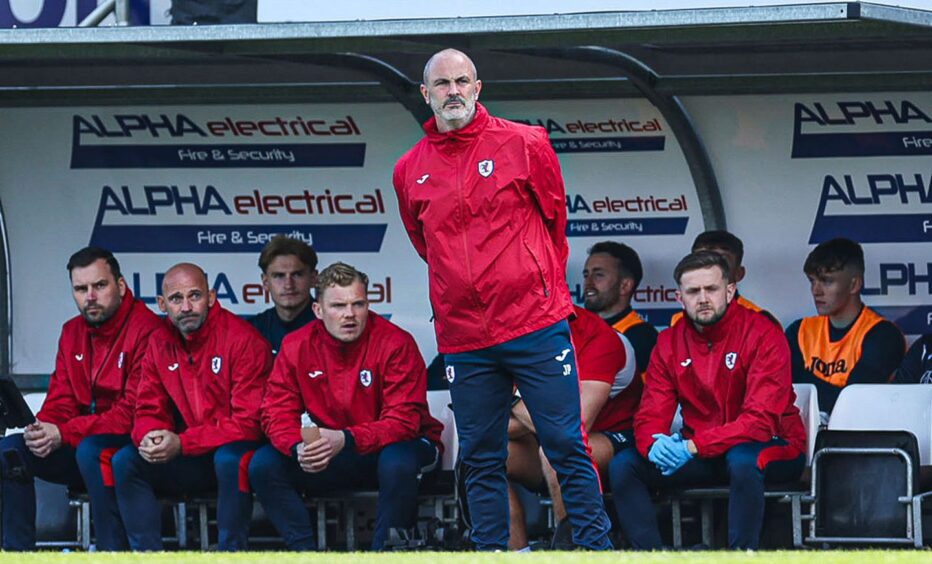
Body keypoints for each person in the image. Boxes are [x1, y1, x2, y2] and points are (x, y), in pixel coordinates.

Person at [392, 48, 612, 550]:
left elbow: (555, 221)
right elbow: (426, 243)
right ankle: (489, 552)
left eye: (462, 81)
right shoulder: (409, 169)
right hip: (465, 335)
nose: (453, 91)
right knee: (479, 453)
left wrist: (533, 286)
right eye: (442, 84)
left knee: (565, 443)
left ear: (478, 87)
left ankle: (596, 549)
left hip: (534, 323)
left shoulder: (525, 142)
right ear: (426, 95)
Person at [610, 251, 806, 550]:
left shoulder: (763, 333)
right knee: (624, 465)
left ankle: (741, 556)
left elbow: (759, 423)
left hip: (774, 444)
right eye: (693, 291)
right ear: (680, 297)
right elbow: (650, 414)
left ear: (729, 291)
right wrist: (653, 445)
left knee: (743, 459)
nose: (703, 298)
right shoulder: (669, 342)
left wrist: (693, 446)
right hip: (700, 451)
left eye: (711, 289)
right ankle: (650, 557)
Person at [249, 262, 443, 550]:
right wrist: (298, 447)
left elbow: (404, 422)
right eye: (338, 306)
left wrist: (347, 438)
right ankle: (306, 555)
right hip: (330, 452)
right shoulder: (296, 345)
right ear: (318, 310)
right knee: (263, 464)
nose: (349, 315)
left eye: (358, 304)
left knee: (397, 460)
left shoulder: (395, 343)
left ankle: (385, 555)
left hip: (391, 449)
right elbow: (275, 412)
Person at [0, 247, 161, 551]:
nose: (90, 296)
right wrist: (44, 428)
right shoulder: (72, 331)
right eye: (81, 288)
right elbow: (62, 398)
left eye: (100, 286)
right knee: (11, 451)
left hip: (132, 448)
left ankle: (112, 553)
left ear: (121, 286)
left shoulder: (148, 330)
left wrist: (64, 433)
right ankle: (17, 554)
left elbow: (132, 413)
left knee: (91, 450)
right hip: (80, 442)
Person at [110, 263, 272, 551]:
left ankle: (231, 555)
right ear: (162, 304)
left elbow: (249, 424)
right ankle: (147, 557)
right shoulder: (159, 342)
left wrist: (183, 443)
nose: (186, 307)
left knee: (229, 459)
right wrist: (150, 436)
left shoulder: (244, 340)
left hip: (232, 452)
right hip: (189, 454)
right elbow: (147, 407)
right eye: (176, 299)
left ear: (210, 297)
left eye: (194, 296)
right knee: (126, 461)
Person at [506, 305, 639, 551]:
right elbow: (495, 427)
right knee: (486, 453)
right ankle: (517, 555)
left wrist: (512, 401)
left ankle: (574, 549)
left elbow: (575, 426)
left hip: (615, 436)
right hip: (544, 437)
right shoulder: (511, 336)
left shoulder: (598, 337)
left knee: (559, 449)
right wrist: (523, 408)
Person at [786, 238, 905, 418]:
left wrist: (804, 383)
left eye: (826, 281)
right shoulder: (800, 330)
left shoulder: (884, 335)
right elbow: (780, 390)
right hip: (803, 435)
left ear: (854, 285)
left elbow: (853, 404)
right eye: (812, 281)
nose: (816, 290)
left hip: (857, 439)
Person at [670, 230, 777, 326]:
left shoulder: (760, 319)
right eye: (701, 261)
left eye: (722, 262)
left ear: (739, 274)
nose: (710, 270)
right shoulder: (679, 320)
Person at [583, 241, 658, 375]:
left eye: (598, 275)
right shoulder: (577, 330)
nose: (588, 283)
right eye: (586, 275)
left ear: (625, 286)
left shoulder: (642, 337)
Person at [248, 235, 318, 354]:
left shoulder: (331, 326)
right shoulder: (252, 330)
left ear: (313, 278)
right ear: (265, 282)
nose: (288, 285)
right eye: (279, 276)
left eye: (297, 275)